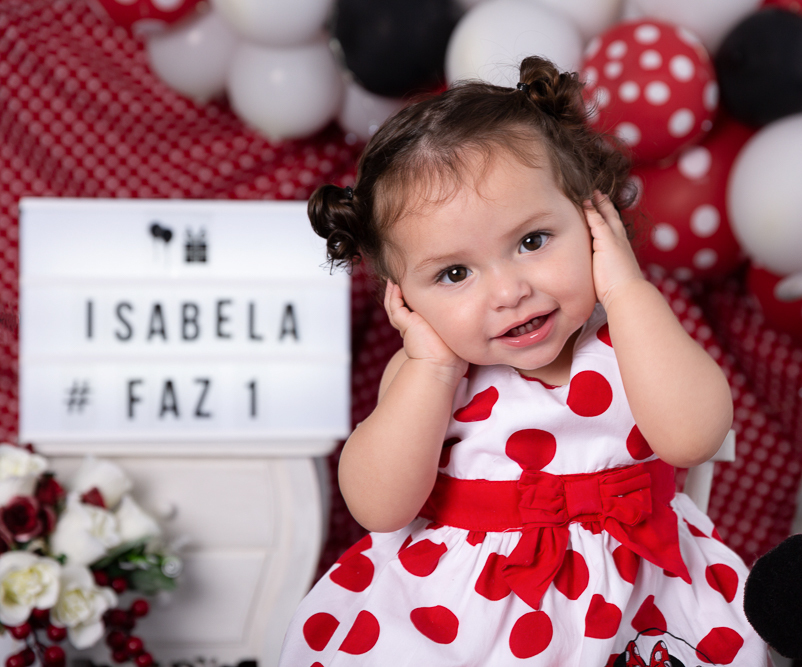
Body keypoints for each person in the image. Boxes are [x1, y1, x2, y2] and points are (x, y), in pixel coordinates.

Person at [279, 56, 766, 666]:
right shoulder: (431, 371)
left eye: (532, 241)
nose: (508, 292)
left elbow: (694, 438)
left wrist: (627, 291)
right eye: (454, 274)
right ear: (402, 295)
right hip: (465, 620)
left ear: (593, 220)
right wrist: (431, 369)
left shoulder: (633, 337)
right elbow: (379, 508)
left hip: (639, 604)